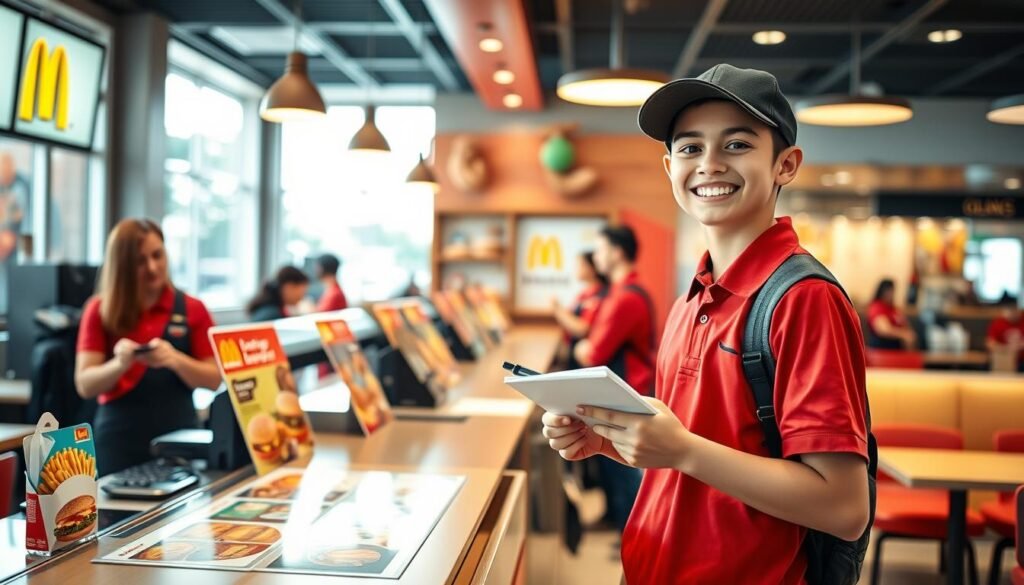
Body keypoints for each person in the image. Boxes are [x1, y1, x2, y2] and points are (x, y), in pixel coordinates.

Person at [542, 64, 870, 584]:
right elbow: (697, 454)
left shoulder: (804, 300)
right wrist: (616, 441)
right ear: (669, 166)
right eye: (691, 148)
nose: (710, 164)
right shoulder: (689, 299)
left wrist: (683, 449)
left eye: (737, 145)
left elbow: (844, 507)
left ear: (786, 165)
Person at [75, 219, 222, 475]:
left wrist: (175, 359)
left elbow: (214, 378)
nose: (152, 268)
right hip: (118, 440)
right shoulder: (99, 310)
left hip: (180, 436)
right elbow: (86, 384)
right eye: (140, 261)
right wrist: (120, 364)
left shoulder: (193, 309)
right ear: (122, 266)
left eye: (157, 255)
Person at [570, 227, 655, 535]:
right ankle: (613, 520)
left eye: (601, 249)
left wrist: (582, 346)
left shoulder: (625, 299)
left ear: (618, 252)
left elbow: (592, 352)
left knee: (622, 468)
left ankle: (631, 533)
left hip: (626, 390)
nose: (596, 256)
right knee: (609, 463)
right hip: (617, 388)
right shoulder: (619, 293)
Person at [552, 251, 608, 369]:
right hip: (573, 350)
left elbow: (582, 329)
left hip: (584, 358)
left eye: (581, 265)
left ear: (592, 268)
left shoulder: (598, 296)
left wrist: (557, 309)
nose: (576, 269)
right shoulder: (584, 294)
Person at [867, 278, 917, 350]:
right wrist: (904, 335)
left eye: (892, 290)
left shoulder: (894, 309)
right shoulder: (877, 307)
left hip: (899, 348)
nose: (891, 294)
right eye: (888, 291)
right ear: (882, 291)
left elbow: (906, 324)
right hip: (883, 348)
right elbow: (883, 330)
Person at [986, 297, 1024, 372]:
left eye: (1015, 309)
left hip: (1022, 361)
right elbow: (990, 343)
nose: (1013, 312)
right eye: (1010, 310)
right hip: (1004, 360)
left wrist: (1018, 347)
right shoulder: (998, 323)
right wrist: (1005, 349)